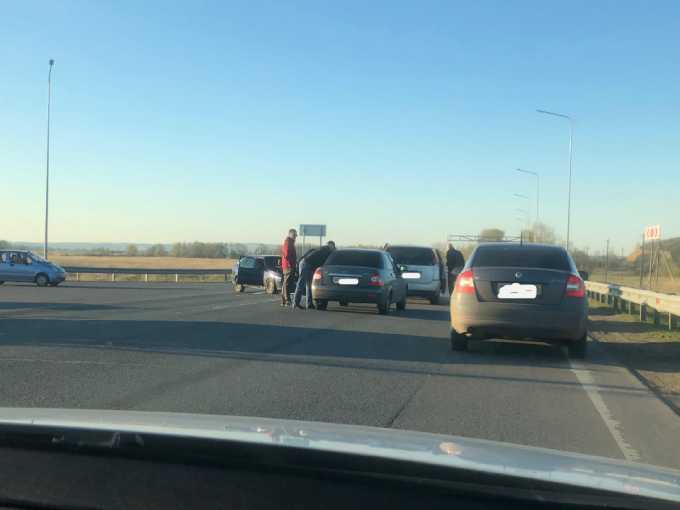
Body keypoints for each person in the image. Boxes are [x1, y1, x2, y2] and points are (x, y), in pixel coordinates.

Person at [293, 241, 336, 310]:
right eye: (333, 247)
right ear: (331, 246)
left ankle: (309, 304)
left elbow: (308, 255)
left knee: (309, 285)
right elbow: (324, 263)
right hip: (306, 264)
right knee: (301, 283)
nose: (334, 249)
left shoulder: (320, 249)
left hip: (305, 263)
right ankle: (296, 303)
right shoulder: (326, 251)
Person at [280, 229, 297, 307]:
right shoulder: (288, 242)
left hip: (288, 265)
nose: (295, 237)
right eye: (294, 235)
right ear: (290, 234)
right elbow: (287, 255)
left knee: (286, 283)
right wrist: (291, 264)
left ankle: (285, 300)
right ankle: (287, 300)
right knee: (287, 283)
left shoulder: (289, 242)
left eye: (295, 235)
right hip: (288, 266)